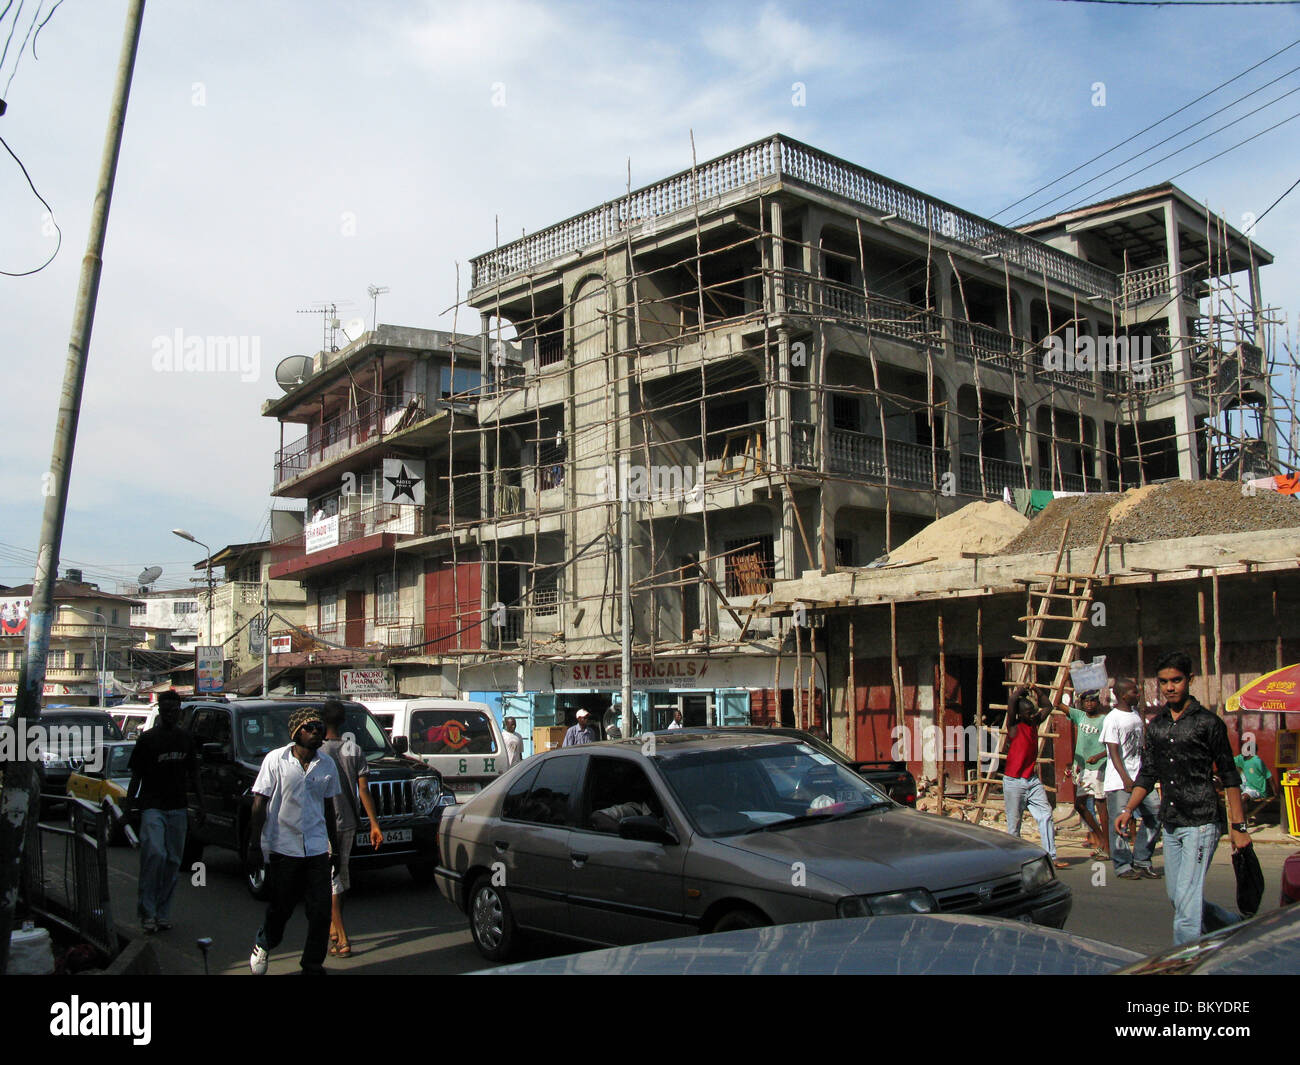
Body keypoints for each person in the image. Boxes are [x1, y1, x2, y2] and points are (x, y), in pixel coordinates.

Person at [1115, 651, 1250, 945]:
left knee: (1187, 914)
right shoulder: (1157, 725)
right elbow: (1148, 774)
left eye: (1176, 680)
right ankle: (1236, 928)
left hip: (1202, 821)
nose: (1169, 687)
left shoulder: (1208, 723)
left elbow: (1229, 774)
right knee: (1179, 899)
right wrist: (1128, 809)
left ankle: (1183, 965)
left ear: (1189, 680)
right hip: (1173, 823)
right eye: (1164, 682)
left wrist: (1239, 829)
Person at [248, 707, 341, 975]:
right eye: (309, 728)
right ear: (296, 732)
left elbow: (328, 809)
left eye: (319, 729)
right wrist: (255, 845)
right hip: (283, 847)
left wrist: (332, 847)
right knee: (282, 908)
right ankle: (265, 942)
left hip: (316, 849)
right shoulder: (276, 760)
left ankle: (312, 965)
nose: (316, 733)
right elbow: (259, 802)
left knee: (321, 912)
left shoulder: (327, 765)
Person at [125, 689, 205, 933]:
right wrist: (129, 808)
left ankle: (162, 913)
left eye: (174, 711)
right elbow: (136, 776)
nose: (171, 715)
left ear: (179, 712)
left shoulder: (186, 739)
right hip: (152, 807)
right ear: (160, 711)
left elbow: (194, 774)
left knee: (172, 861)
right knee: (155, 856)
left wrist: (201, 805)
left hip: (178, 808)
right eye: (166, 711)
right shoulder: (147, 739)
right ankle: (147, 913)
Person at [320, 698, 383, 959]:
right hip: (347, 822)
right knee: (340, 878)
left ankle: (342, 937)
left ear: (322, 721)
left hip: (323, 824)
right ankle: (334, 931)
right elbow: (364, 790)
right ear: (343, 721)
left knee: (332, 881)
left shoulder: (316, 750)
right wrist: (374, 824)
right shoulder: (354, 750)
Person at [1100, 678, 1162, 880]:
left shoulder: (1135, 716)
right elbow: (1113, 752)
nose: (1139, 695)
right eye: (1135, 692)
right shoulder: (1112, 718)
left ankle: (1142, 859)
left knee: (1155, 814)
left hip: (1141, 778)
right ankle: (1122, 865)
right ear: (1124, 695)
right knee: (1119, 822)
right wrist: (1125, 778)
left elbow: (1140, 749)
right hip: (1120, 781)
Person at [1002, 685, 1068, 869]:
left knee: (1045, 814)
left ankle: (1051, 856)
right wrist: (1020, 689)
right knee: (1014, 824)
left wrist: (1037, 690)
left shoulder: (1034, 722)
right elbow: (1011, 703)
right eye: (1028, 713)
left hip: (1031, 779)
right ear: (1020, 714)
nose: (1032, 715)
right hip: (1014, 781)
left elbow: (1048, 707)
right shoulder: (1014, 727)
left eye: (1033, 712)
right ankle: (1014, 860)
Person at [1067, 689, 1110, 858]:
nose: (1089, 704)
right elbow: (1058, 705)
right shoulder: (1080, 717)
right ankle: (1101, 838)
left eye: (1093, 701)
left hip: (1098, 768)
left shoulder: (1104, 720)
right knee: (1079, 804)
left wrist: (1098, 756)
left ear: (1098, 703)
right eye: (1086, 701)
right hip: (1083, 770)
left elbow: (1112, 746)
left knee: (1101, 807)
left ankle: (1107, 846)